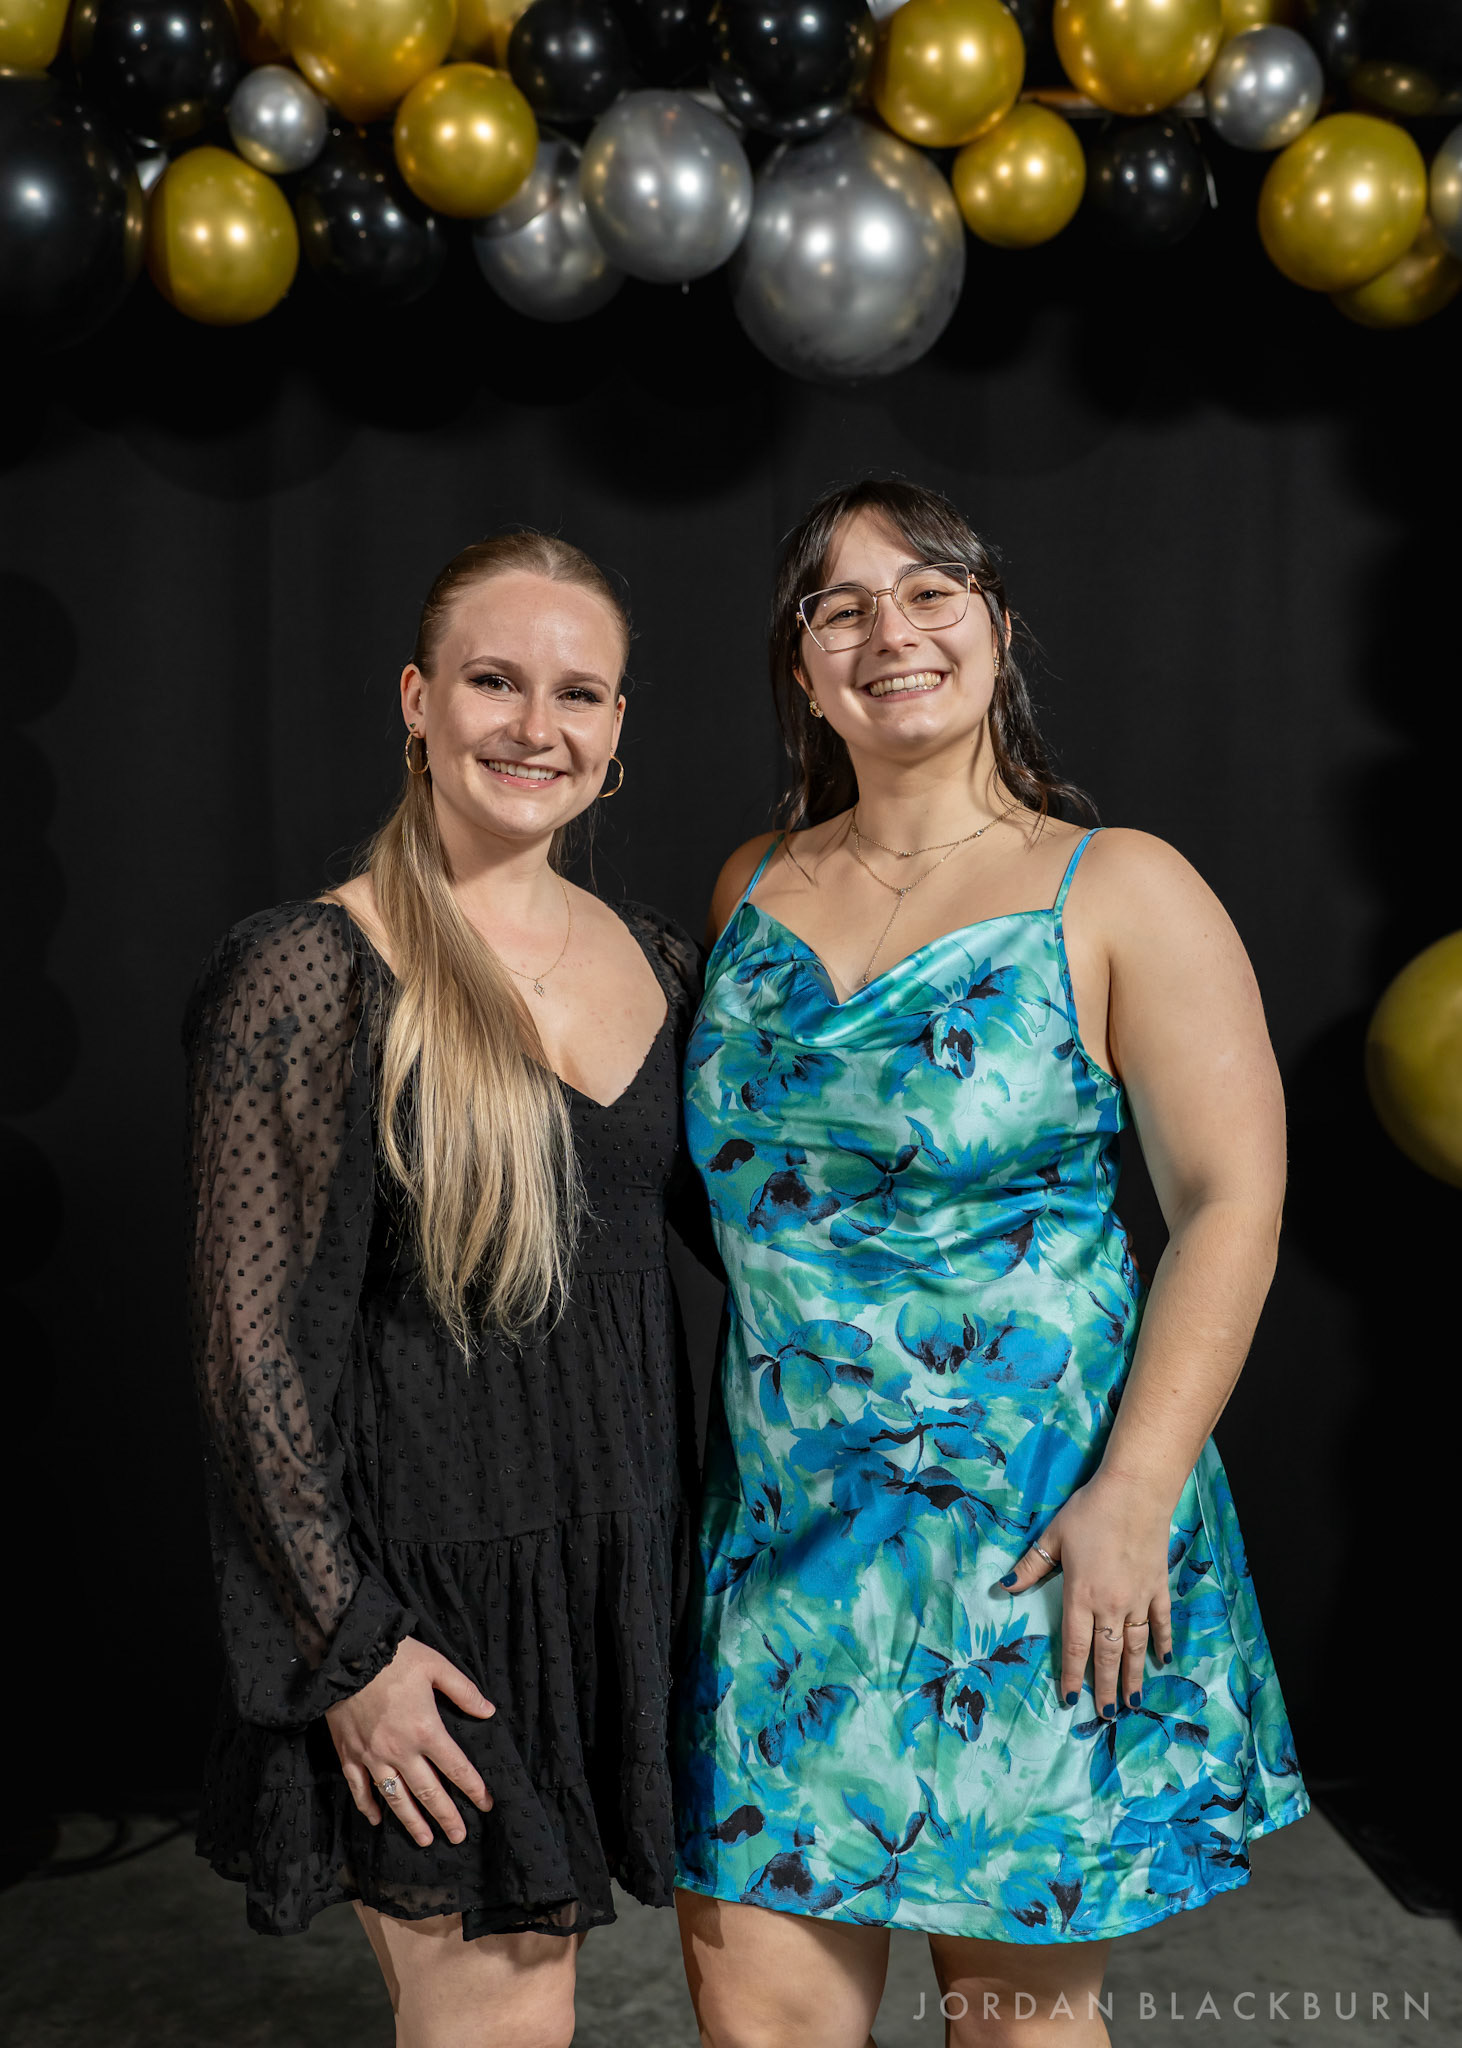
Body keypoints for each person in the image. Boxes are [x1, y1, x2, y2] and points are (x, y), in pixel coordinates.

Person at [672, 479, 1308, 2047]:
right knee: (758, 2018)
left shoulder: (1119, 885)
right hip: (783, 1556)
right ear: (801, 666)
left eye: (928, 591)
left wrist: (1135, 1493)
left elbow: (1229, 1201)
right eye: (839, 606)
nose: (888, 630)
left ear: (997, 629)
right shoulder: (748, 888)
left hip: (1037, 1542)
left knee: (1014, 2026)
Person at [184, 531, 710, 2048]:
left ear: (617, 731)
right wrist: (350, 1649)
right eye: (494, 681)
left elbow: (775, 1251)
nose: (535, 727)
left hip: (618, 1577)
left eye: (577, 693)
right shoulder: (315, 970)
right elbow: (246, 1355)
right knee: (502, 2017)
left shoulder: (668, 965)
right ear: (418, 701)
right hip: (429, 1609)